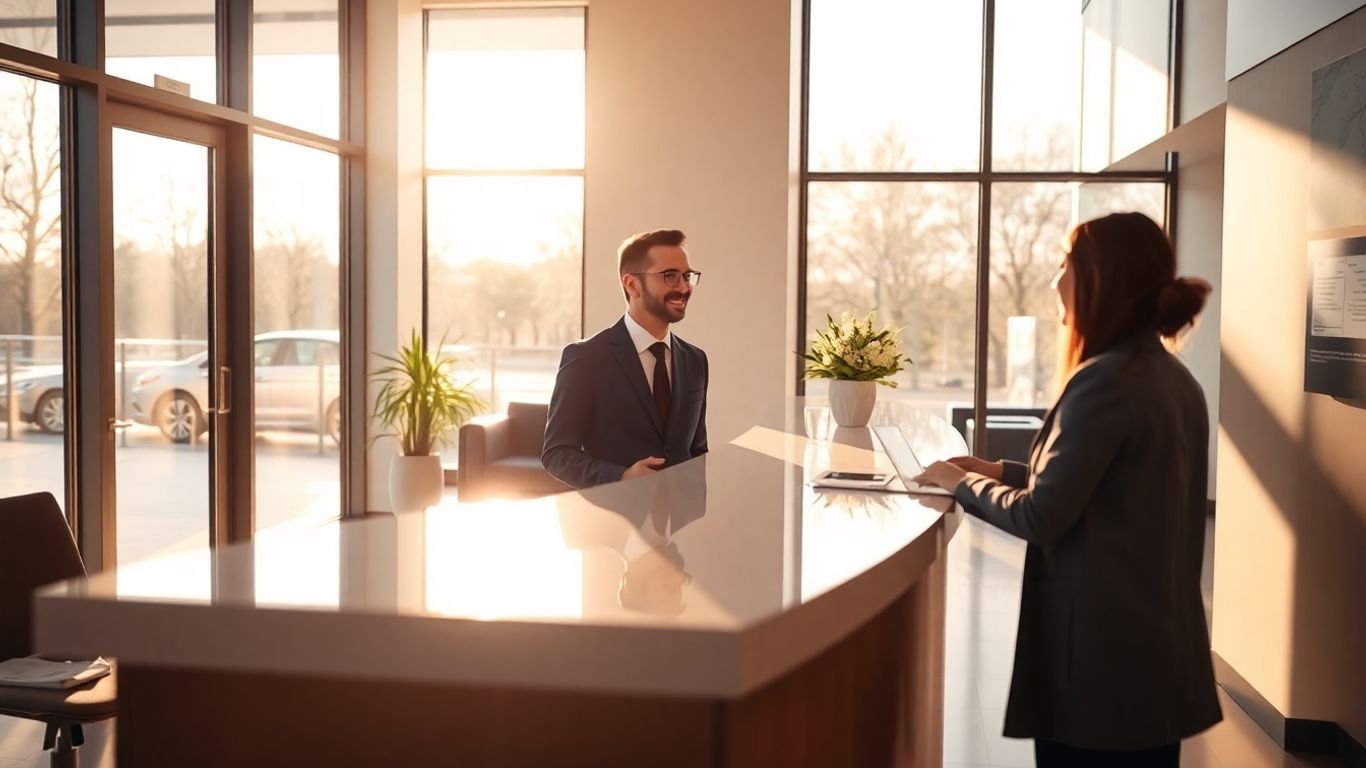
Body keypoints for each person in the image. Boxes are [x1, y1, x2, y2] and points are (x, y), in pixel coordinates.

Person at [914, 212, 1221, 767]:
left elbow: (1043, 516)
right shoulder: (1175, 380)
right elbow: (1106, 486)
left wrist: (958, 483)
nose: (1055, 279)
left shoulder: (1104, 381)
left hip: (1100, 668)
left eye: (1064, 264)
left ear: (1099, 277)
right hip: (1153, 663)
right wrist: (994, 468)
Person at [542, 229, 709, 489]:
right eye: (670, 276)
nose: (684, 286)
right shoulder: (585, 358)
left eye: (687, 276)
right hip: (612, 521)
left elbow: (697, 451)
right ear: (632, 284)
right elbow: (557, 454)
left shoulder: (695, 360)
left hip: (682, 523)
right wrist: (621, 477)